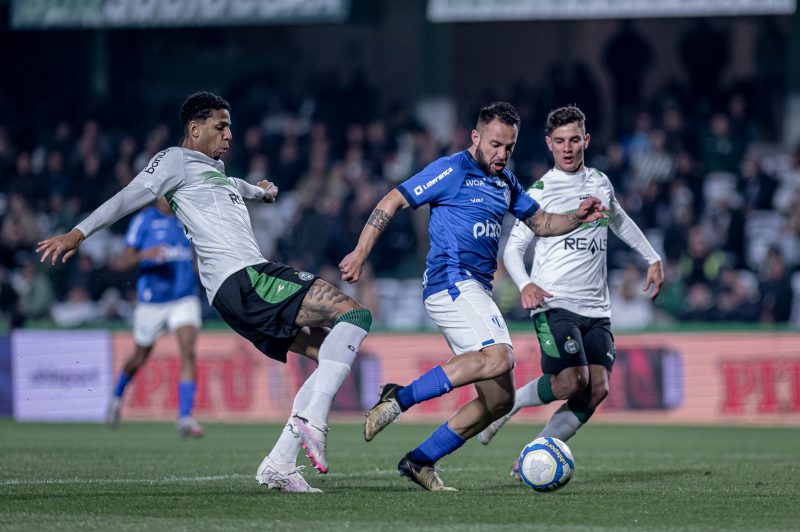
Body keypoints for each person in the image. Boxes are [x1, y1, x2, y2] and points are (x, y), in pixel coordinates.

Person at [37, 92, 372, 493]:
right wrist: (79, 233)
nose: (229, 134)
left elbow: (235, 185)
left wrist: (261, 191)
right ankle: (315, 419)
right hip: (247, 278)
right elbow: (129, 196)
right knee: (355, 316)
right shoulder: (175, 161)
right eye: (220, 126)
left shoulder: (213, 172)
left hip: (234, 294)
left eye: (229, 126)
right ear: (194, 129)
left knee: (328, 355)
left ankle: (280, 463)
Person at [339, 102, 604, 491]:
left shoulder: (506, 182)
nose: (501, 155)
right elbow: (392, 200)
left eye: (509, 148)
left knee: (499, 400)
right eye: (495, 144)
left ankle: (419, 460)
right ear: (475, 137)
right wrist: (361, 252)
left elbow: (543, 222)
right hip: (449, 281)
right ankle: (399, 398)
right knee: (501, 355)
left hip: (476, 290)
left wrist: (577, 217)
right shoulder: (451, 169)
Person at [478, 106, 663, 480]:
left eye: (574, 140)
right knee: (573, 381)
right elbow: (512, 248)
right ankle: (509, 405)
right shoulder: (540, 191)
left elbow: (620, 220)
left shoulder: (600, 182)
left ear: (586, 141)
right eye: (559, 141)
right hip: (553, 303)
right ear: (549, 144)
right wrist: (526, 283)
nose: (567, 148)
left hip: (597, 307)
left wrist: (653, 257)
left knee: (597, 389)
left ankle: (535, 454)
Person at [105, 197, 204, 438]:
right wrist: (144, 255)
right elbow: (121, 262)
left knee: (188, 350)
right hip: (152, 301)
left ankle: (185, 418)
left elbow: (195, 255)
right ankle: (117, 397)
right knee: (139, 356)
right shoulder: (144, 220)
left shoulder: (187, 217)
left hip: (184, 297)